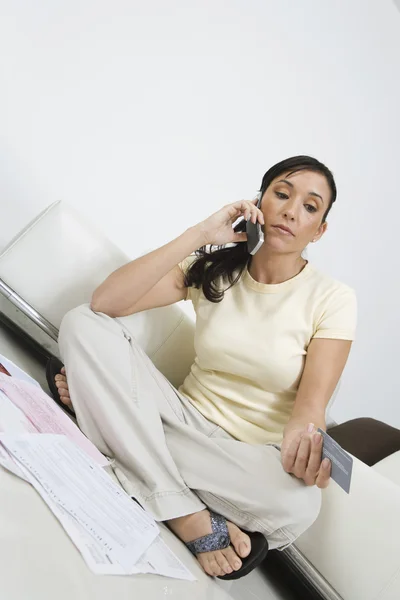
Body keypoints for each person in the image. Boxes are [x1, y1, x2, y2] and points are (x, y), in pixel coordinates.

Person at [52, 155, 357, 580]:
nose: (290, 210)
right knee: (82, 321)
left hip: (244, 456)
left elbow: (310, 407)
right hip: (180, 413)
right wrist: (199, 235)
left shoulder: (333, 298)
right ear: (259, 202)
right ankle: (184, 512)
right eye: (281, 195)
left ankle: (106, 419)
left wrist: (304, 443)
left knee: (298, 507)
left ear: (319, 230)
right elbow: (106, 303)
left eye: (309, 206)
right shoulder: (214, 268)